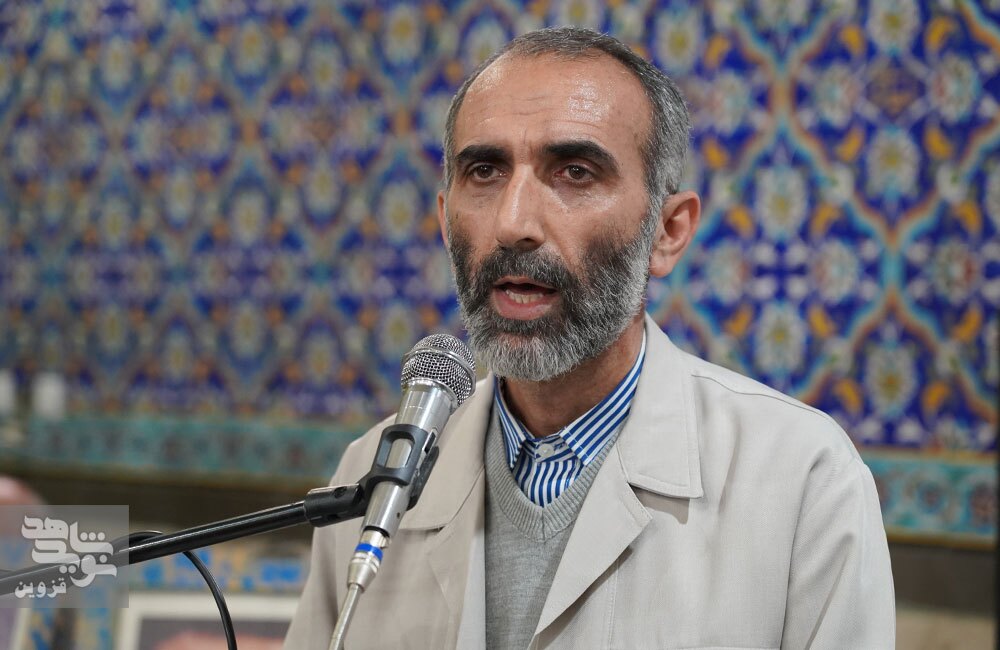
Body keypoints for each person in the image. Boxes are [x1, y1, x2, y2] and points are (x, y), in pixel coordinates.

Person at [284, 27, 895, 649]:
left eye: (575, 172)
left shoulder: (803, 481)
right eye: (485, 171)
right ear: (445, 221)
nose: (513, 223)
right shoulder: (374, 478)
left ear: (667, 231)